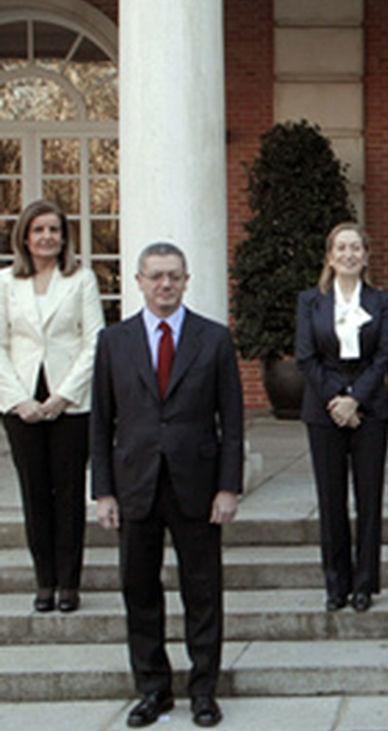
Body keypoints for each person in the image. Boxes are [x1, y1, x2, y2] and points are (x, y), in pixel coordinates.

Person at [91, 242, 243, 728]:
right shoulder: (113, 341)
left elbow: (233, 422)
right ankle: (152, 688)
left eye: (174, 276)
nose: (165, 285)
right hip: (135, 483)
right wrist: (104, 491)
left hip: (197, 484)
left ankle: (204, 689)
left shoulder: (214, 339)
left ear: (186, 280)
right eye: (156, 276)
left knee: (202, 590)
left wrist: (228, 487)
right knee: (139, 588)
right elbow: (101, 422)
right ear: (138, 281)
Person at [0, 200, 104, 614]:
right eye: (39, 230)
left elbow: (94, 340)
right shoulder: (6, 281)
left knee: (68, 493)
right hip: (20, 402)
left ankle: (69, 583)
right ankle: (44, 580)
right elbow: (1, 345)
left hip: (70, 404)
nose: (47, 237)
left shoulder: (81, 280)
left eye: (54, 230)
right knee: (35, 493)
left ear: (65, 238)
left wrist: (63, 396)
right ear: (25, 236)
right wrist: (20, 399)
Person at [296, 223, 388, 613]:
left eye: (356, 248)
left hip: (370, 408)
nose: (349, 254)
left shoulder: (380, 300)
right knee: (331, 499)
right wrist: (336, 399)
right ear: (330, 256)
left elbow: (383, 356)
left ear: (366, 256)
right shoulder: (310, 301)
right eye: (342, 248)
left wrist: (355, 400)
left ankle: (365, 583)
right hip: (323, 409)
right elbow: (306, 356)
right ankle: (336, 584)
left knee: (368, 499)